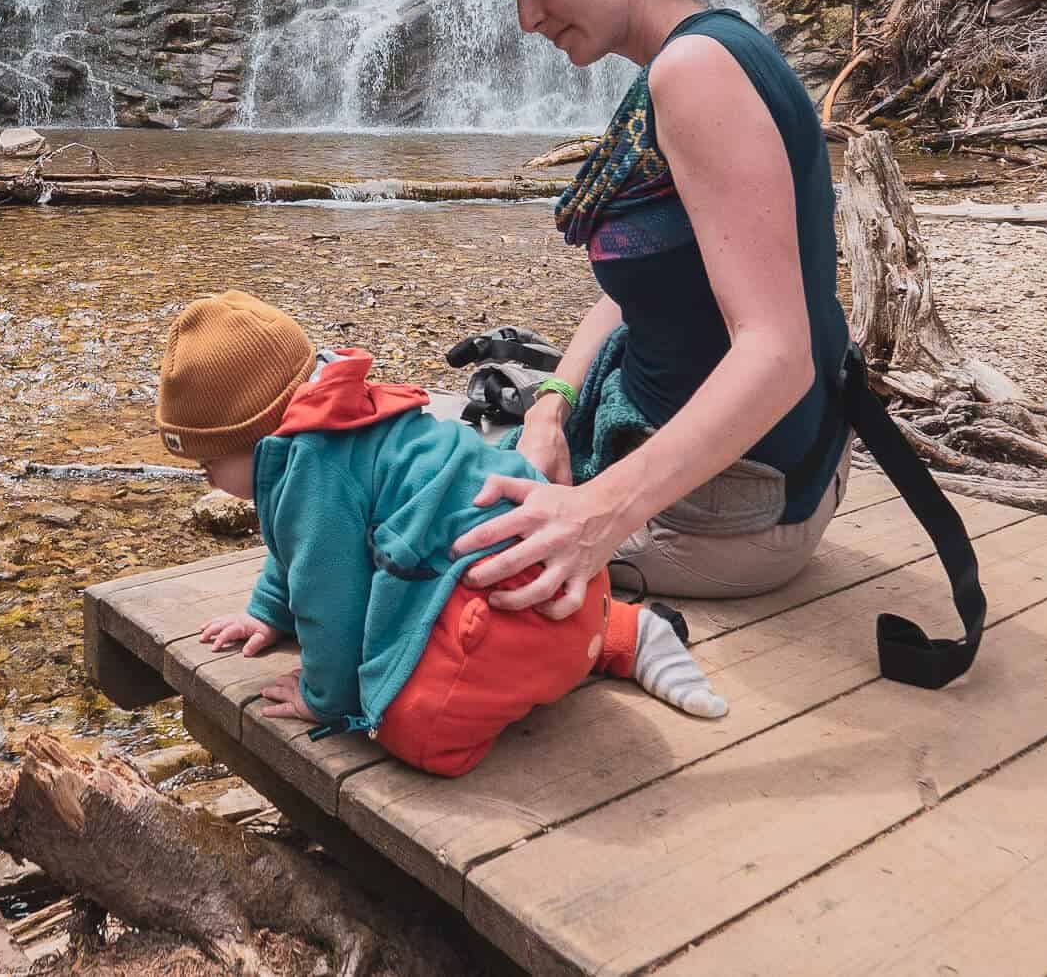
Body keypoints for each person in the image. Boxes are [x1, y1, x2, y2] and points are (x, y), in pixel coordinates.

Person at [451, 0, 855, 618]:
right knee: (434, 453)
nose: (530, 19)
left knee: (405, 519)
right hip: (760, 478)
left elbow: (778, 354)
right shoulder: (704, 52)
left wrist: (592, 516)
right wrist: (551, 406)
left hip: (728, 511)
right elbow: (644, 293)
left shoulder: (693, 72)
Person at [155, 290, 726, 780]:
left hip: (502, 608)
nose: (205, 476)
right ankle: (626, 633)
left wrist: (324, 698)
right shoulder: (340, 414)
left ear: (261, 436)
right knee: (534, 622)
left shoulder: (310, 467)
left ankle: (537, 673)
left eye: (209, 463)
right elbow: (297, 550)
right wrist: (265, 612)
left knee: (413, 731)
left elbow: (327, 596)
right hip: (572, 580)